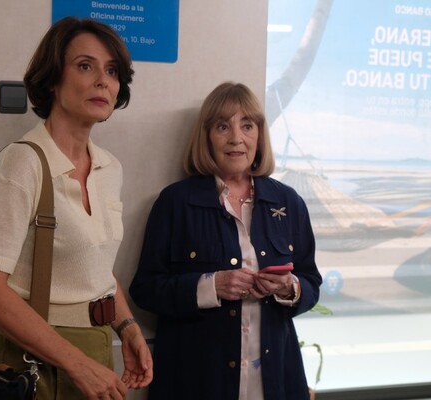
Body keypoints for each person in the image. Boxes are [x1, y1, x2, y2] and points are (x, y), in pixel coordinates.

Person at [0, 17, 152, 400]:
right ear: (52, 79)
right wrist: (76, 363)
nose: (103, 81)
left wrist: (128, 327)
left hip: (97, 344)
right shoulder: (23, 163)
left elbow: (95, 268)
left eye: (112, 71)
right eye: (85, 66)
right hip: (34, 358)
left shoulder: (110, 168)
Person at [129, 82, 322, 400]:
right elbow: (146, 290)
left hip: (275, 385)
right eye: (222, 127)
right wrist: (211, 286)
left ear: (259, 135)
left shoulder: (288, 202)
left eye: (247, 126)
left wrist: (289, 288)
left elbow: (311, 282)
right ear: (206, 137)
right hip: (195, 385)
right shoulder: (175, 202)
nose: (236, 138)